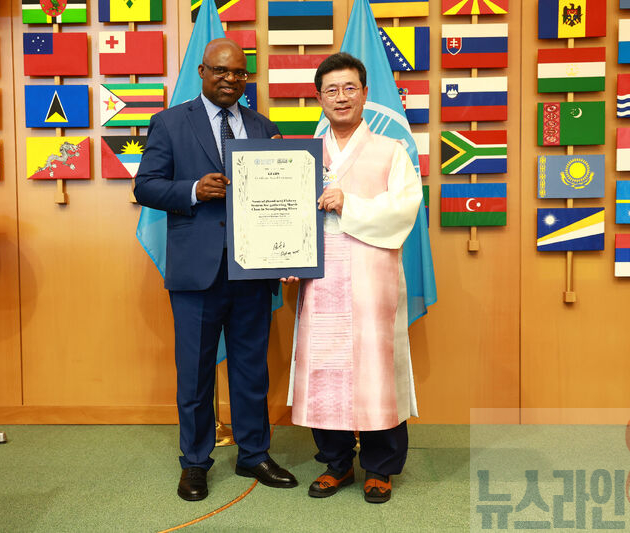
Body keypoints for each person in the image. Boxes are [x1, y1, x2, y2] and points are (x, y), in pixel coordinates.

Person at [134, 38, 297, 502]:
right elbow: (145, 186)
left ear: (246, 78)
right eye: (221, 70)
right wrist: (192, 190)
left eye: (239, 73)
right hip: (196, 271)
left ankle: (254, 454)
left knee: (251, 369)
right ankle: (195, 462)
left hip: (253, 269)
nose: (230, 79)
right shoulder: (169, 122)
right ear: (202, 72)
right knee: (195, 372)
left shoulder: (263, 127)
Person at [285, 53, 422, 504]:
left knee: (376, 368)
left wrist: (349, 204)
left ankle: (381, 467)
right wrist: (283, 254)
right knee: (324, 365)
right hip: (321, 279)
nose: (341, 97)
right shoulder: (302, 156)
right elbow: (284, 213)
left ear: (365, 93)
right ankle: (336, 462)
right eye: (331, 90)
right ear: (318, 98)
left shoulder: (391, 151)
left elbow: (404, 209)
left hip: (371, 276)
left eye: (349, 88)